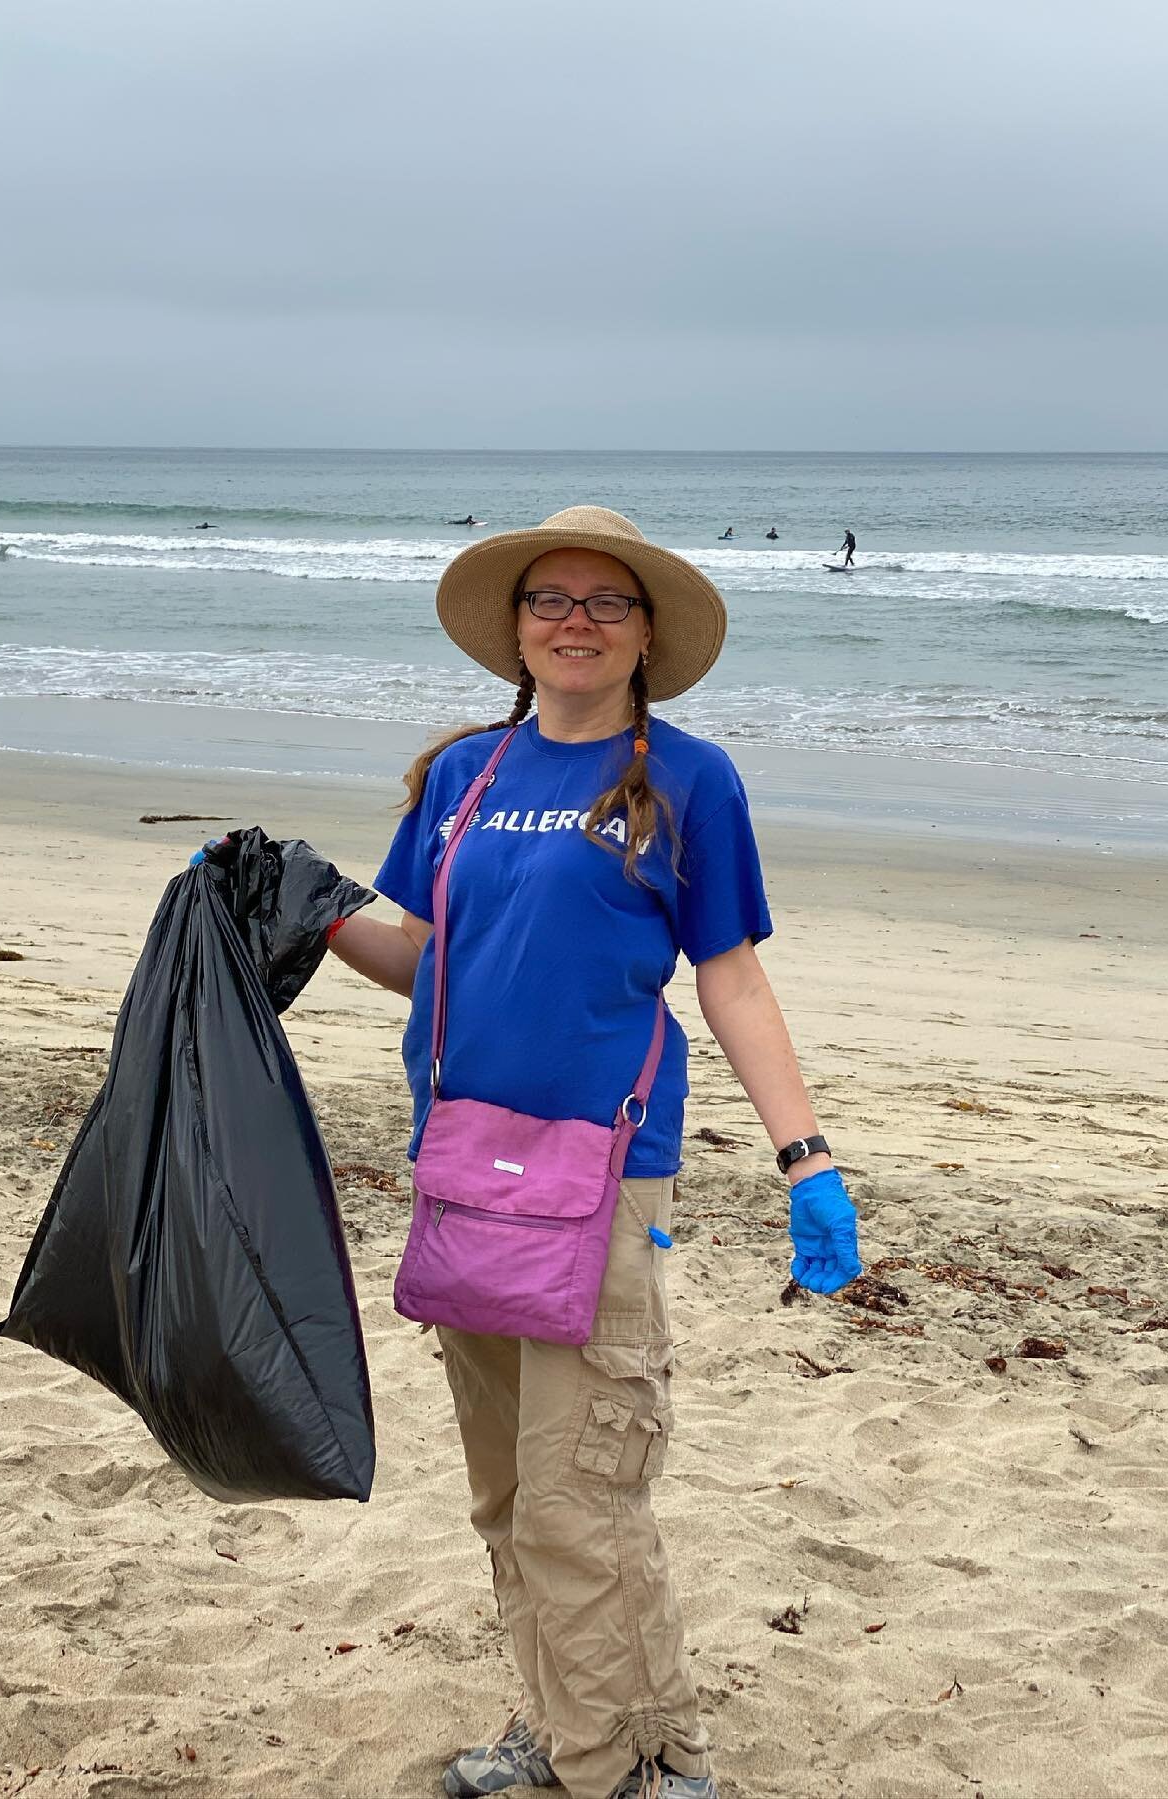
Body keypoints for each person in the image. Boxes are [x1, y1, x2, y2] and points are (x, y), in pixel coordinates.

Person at [327, 505, 863, 1799]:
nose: (575, 621)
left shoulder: (687, 781)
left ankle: (631, 1766)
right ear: (515, 630)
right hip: (460, 1165)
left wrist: (807, 1158)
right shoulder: (464, 777)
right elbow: (428, 961)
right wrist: (305, 905)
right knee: (510, 1497)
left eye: (604, 603)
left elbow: (728, 977)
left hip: (602, 1180)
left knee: (586, 1499)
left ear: (644, 635)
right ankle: (571, 1727)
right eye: (550, 601)